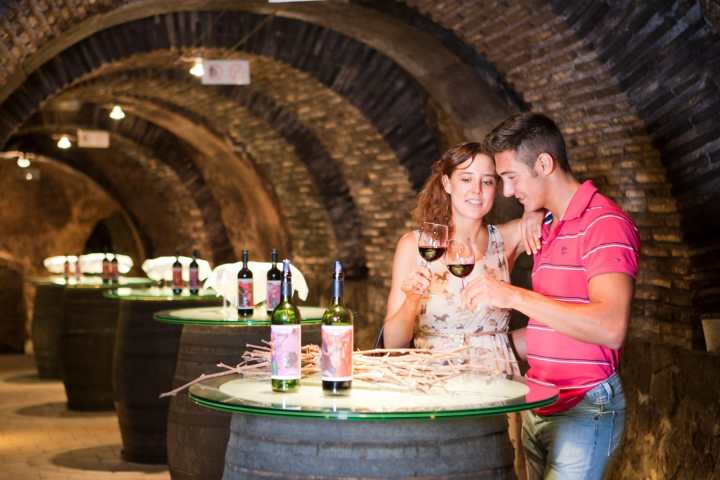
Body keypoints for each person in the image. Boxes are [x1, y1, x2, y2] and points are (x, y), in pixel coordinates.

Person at [462, 112, 640, 480]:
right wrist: (474, 348)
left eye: (511, 177)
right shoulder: (546, 225)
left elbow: (610, 327)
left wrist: (512, 296)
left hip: (584, 406)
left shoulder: (604, 224)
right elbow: (555, 327)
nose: (508, 191)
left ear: (544, 163)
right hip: (539, 402)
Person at [383, 141, 541, 376]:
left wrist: (533, 212)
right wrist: (411, 300)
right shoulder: (415, 246)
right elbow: (392, 344)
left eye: (487, 181)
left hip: (499, 388)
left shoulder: (507, 239)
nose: (476, 190)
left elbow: (554, 198)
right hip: (436, 390)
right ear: (447, 184)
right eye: (466, 179)